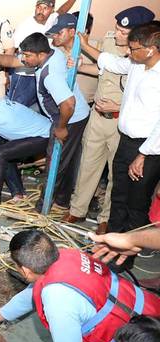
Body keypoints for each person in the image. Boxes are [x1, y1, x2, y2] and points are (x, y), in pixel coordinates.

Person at [0, 230, 160, 342]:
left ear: (26, 271)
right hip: (151, 314)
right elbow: (30, 296)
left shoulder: (58, 302)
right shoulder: (67, 256)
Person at [64, 7, 155, 235]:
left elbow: (147, 107)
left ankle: (107, 219)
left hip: (123, 125)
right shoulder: (124, 53)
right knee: (88, 165)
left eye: (125, 32)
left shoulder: (146, 63)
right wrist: (81, 58)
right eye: (117, 29)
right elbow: (108, 66)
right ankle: (78, 208)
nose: (118, 34)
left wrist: (118, 107)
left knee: (118, 179)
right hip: (100, 118)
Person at [0, 32, 91, 209]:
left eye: (27, 56)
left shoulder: (50, 75)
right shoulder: (50, 52)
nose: (24, 59)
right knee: (67, 160)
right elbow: (12, 61)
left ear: (41, 55)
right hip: (68, 116)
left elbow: (68, 104)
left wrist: (62, 127)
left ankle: (43, 206)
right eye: (24, 54)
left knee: (56, 162)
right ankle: (62, 201)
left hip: (69, 118)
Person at [10, 0, 77, 107]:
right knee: (16, 107)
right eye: (39, 7)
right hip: (24, 76)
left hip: (41, 74)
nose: (41, 11)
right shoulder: (24, 27)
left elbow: (63, 10)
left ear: (51, 10)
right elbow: (12, 52)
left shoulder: (52, 19)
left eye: (45, 8)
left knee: (37, 108)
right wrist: (5, 74)